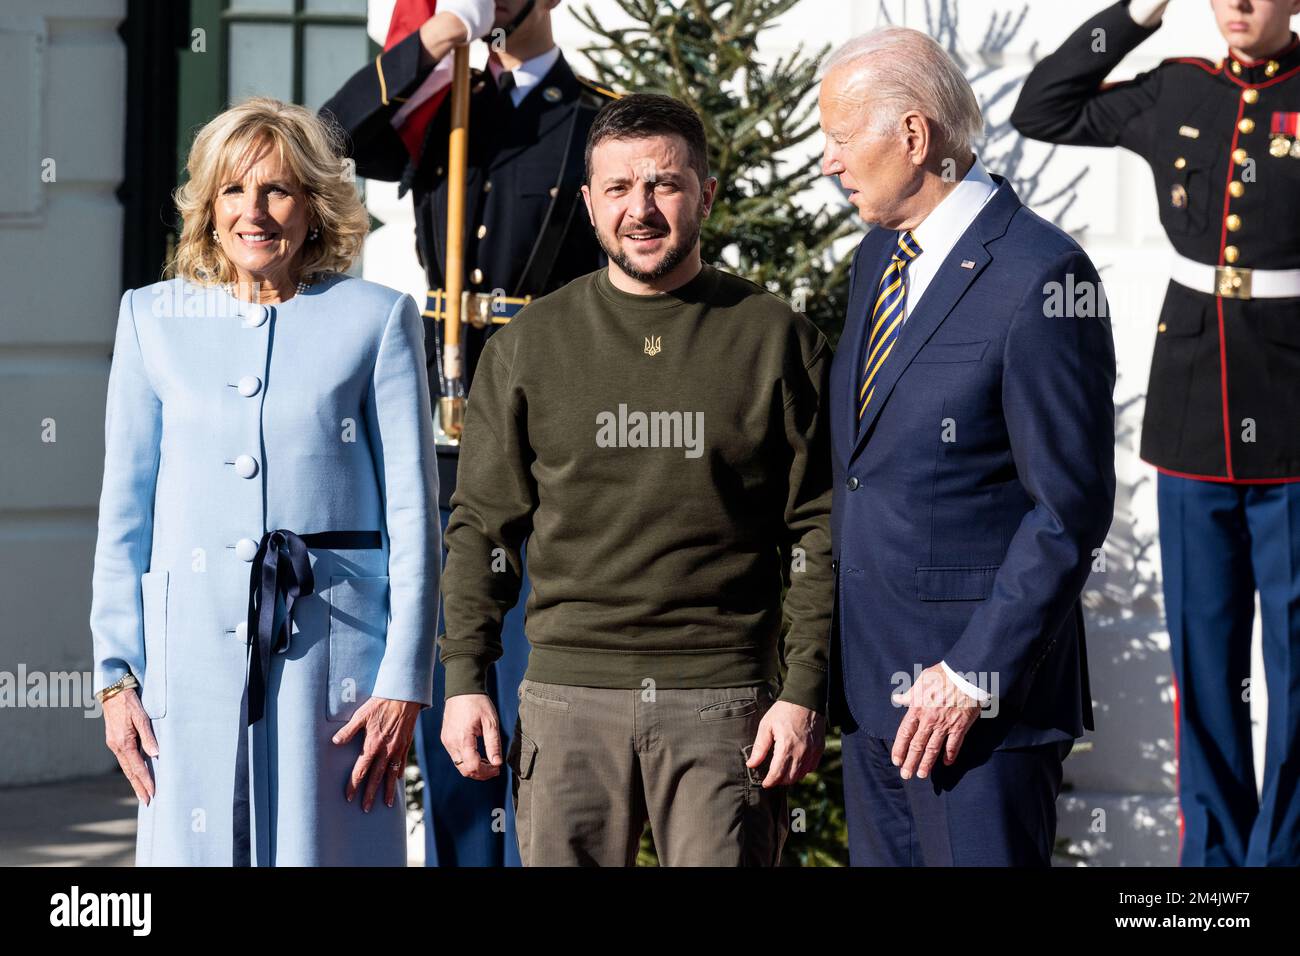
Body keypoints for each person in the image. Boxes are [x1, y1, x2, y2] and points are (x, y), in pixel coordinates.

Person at [437, 93, 833, 866]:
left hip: (726, 707)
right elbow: (481, 527)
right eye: (618, 188)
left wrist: (805, 688)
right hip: (565, 702)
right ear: (588, 203)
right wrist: (464, 677)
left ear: (706, 194)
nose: (640, 209)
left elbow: (819, 527)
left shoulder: (775, 338)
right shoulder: (529, 347)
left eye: (664, 184)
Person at [89, 97, 440, 866]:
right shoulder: (153, 319)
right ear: (208, 208)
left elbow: (414, 517)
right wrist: (115, 680)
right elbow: (125, 514)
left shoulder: (375, 320)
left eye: (278, 190)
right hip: (187, 665)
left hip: (335, 670)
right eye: (234, 191)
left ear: (313, 206)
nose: (256, 211)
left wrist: (404, 679)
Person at [320, 0, 619, 866]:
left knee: (540, 683)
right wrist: (425, 49)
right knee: (457, 681)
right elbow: (331, 138)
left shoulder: (594, 114)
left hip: (552, 425)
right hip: (440, 426)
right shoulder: (435, 105)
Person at [1012, 0, 1300, 868]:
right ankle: (1214, 867)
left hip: (1292, 416)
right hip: (1192, 417)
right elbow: (1043, 107)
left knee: (1295, 669)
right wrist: (1135, 13)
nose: (1240, 5)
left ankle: (1281, 858)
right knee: (1205, 659)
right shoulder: (1180, 88)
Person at [821, 27, 1117, 866]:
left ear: (913, 136)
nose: (830, 162)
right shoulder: (877, 256)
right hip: (875, 699)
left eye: (841, 139)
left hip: (977, 713)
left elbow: (1070, 509)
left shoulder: (1043, 274)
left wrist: (971, 676)